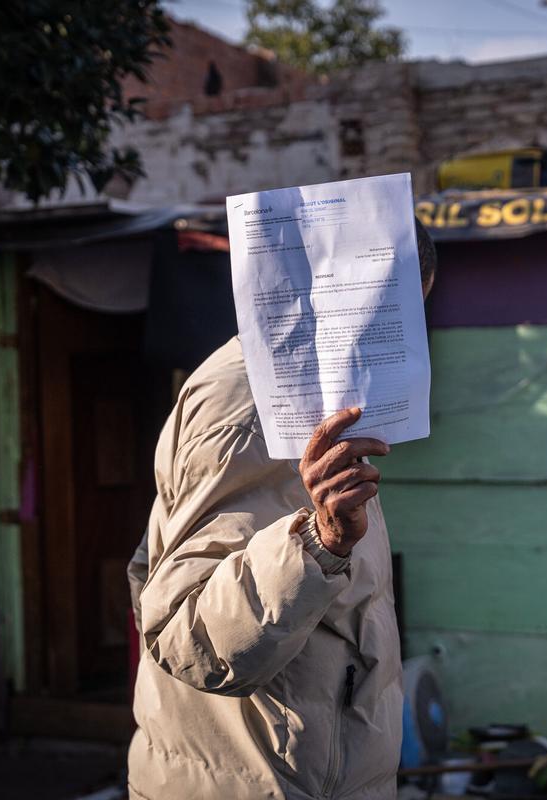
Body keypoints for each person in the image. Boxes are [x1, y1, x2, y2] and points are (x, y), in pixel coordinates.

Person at [127, 220, 438, 800]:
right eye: (399, 316)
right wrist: (315, 544)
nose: (404, 341)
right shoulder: (255, 408)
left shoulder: (311, 390)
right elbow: (191, 639)